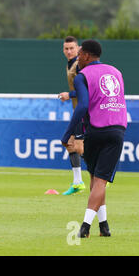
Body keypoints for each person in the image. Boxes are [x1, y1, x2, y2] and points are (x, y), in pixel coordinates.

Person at [61, 40, 127, 238]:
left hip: (96, 129)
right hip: (117, 128)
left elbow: (82, 106)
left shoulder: (82, 75)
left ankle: (85, 227)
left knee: (96, 180)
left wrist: (68, 134)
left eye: (79, 54)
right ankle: (104, 226)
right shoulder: (116, 72)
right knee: (99, 180)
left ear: (87, 56)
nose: (77, 58)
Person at [57, 36, 86, 195]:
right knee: (70, 144)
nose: (69, 51)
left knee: (78, 146)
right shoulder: (70, 64)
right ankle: (78, 182)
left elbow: (87, 89)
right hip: (78, 111)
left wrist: (70, 94)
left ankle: (100, 176)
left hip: (85, 111)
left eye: (72, 48)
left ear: (78, 48)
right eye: (66, 49)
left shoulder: (80, 65)